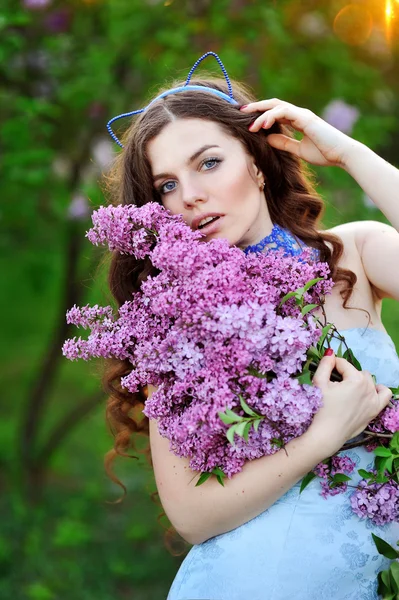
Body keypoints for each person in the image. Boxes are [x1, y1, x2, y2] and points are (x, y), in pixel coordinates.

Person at [102, 54, 399, 599]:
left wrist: (349, 154)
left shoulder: (353, 256)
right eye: (167, 185)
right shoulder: (176, 327)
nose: (189, 194)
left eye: (209, 163)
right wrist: (325, 436)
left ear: (258, 165)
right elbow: (192, 516)